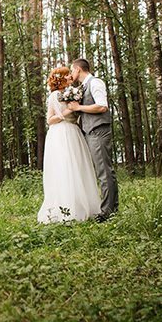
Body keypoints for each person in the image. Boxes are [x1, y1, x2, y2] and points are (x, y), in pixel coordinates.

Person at [38, 66, 102, 223]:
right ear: (60, 78)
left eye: (69, 74)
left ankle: (84, 206)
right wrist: (67, 111)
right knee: (65, 168)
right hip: (60, 134)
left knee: (79, 167)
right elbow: (50, 120)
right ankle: (65, 209)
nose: (69, 77)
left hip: (74, 132)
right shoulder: (54, 95)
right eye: (66, 75)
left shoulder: (74, 92)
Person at [67, 58, 118, 221]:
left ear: (77, 69)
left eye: (71, 70)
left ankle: (108, 212)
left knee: (104, 170)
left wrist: (79, 107)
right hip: (90, 131)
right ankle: (109, 208)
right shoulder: (82, 86)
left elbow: (102, 106)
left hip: (98, 130)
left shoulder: (95, 83)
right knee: (100, 170)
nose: (70, 73)